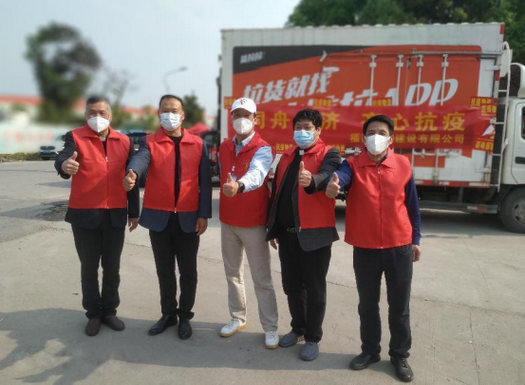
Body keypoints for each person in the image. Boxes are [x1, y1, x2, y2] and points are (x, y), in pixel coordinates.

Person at [325, 114, 421, 382]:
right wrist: (334, 185)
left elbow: (412, 205)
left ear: (391, 138)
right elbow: (340, 178)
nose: (375, 137)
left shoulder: (402, 164)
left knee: (399, 305)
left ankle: (399, 354)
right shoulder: (353, 165)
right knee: (367, 304)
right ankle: (370, 351)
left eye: (381, 132)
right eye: (371, 132)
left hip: (399, 247)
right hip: (365, 248)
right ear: (363, 138)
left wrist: (416, 239)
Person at [123, 95, 212, 340]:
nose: (169, 114)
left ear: (183, 115)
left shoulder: (197, 144)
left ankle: (184, 316)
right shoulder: (150, 141)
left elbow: (205, 181)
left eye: (174, 110)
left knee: (188, 272)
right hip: (159, 218)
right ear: (158, 114)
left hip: (188, 218)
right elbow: (141, 160)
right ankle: (168, 314)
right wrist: (133, 172)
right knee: (164, 270)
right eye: (164, 110)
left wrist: (204, 214)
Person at [55, 96, 139, 337]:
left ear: (110, 116)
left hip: (114, 215)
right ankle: (93, 313)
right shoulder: (76, 137)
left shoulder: (123, 141)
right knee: (89, 267)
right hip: (85, 216)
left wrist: (133, 212)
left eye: (102, 112)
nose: (97, 117)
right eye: (92, 113)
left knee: (112, 267)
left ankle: (110, 310)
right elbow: (64, 156)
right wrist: (63, 166)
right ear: (85, 116)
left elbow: (131, 177)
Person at [266, 108, 342, 361]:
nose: (302, 132)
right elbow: (277, 194)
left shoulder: (328, 153)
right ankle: (297, 328)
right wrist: (273, 228)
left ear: (319, 130)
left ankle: (313, 337)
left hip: (315, 234)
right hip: (288, 235)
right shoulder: (286, 156)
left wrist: (312, 181)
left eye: (308, 127)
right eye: (298, 127)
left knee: (315, 288)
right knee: (291, 285)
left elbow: (327, 176)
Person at [218, 97, 279, 349]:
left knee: (261, 278)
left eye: (246, 115)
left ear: (256, 119)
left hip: (253, 223)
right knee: (233, 274)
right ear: (231, 118)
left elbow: (257, 173)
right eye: (236, 115)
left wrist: (239, 185)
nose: (241, 120)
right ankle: (237, 317)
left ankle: (271, 327)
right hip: (228, 221)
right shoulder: (224, 147)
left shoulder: (263, 148)